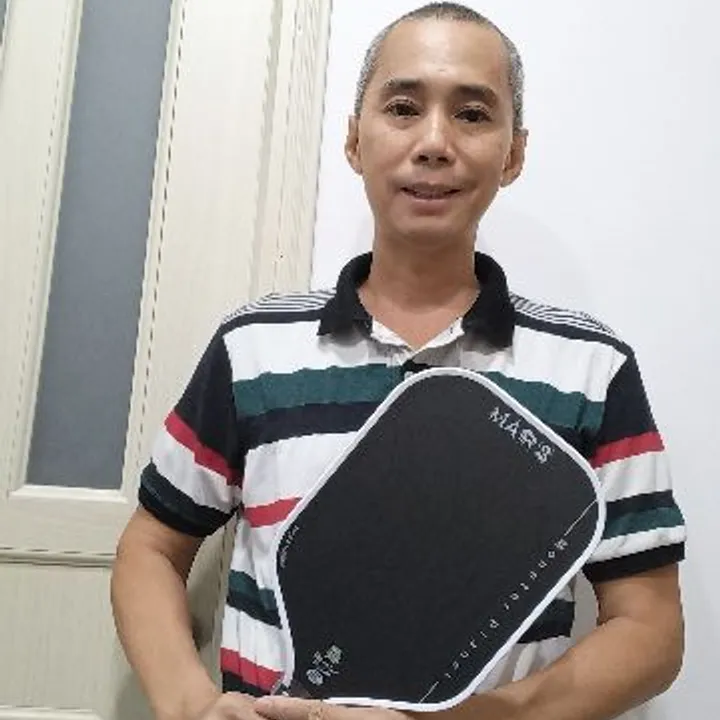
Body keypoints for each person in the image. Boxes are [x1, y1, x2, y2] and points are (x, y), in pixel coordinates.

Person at [111, 3, 686, 719]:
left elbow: (649, 627)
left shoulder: (591, 369)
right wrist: (191, 705)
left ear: (513, 153)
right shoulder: (252, 347)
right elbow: (152, 549)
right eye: (404, 108)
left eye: (472, 114)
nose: (434, 142)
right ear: (355, 139)